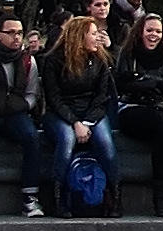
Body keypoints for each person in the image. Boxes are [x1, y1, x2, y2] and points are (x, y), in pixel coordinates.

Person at [0, 17, 55, 219]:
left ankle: (30, 197)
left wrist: (25, 105)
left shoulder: (27, 60)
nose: (16, 37)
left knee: (32, 137)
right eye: (11, 32)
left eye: (20, 32)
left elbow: (32, 93)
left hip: (14, 111)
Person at [44, 14, 120, 211]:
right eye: (93, 34)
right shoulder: (54, 60)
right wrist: (75, 122)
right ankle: (59, 196)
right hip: (62, 112)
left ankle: (114, 195)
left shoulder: (100, 59)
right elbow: (54, 98)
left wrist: (87, 122)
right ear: (79, 36)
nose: (98, 38)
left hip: (92, 112)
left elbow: (102, 96)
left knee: (105, 143)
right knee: (67, 140)